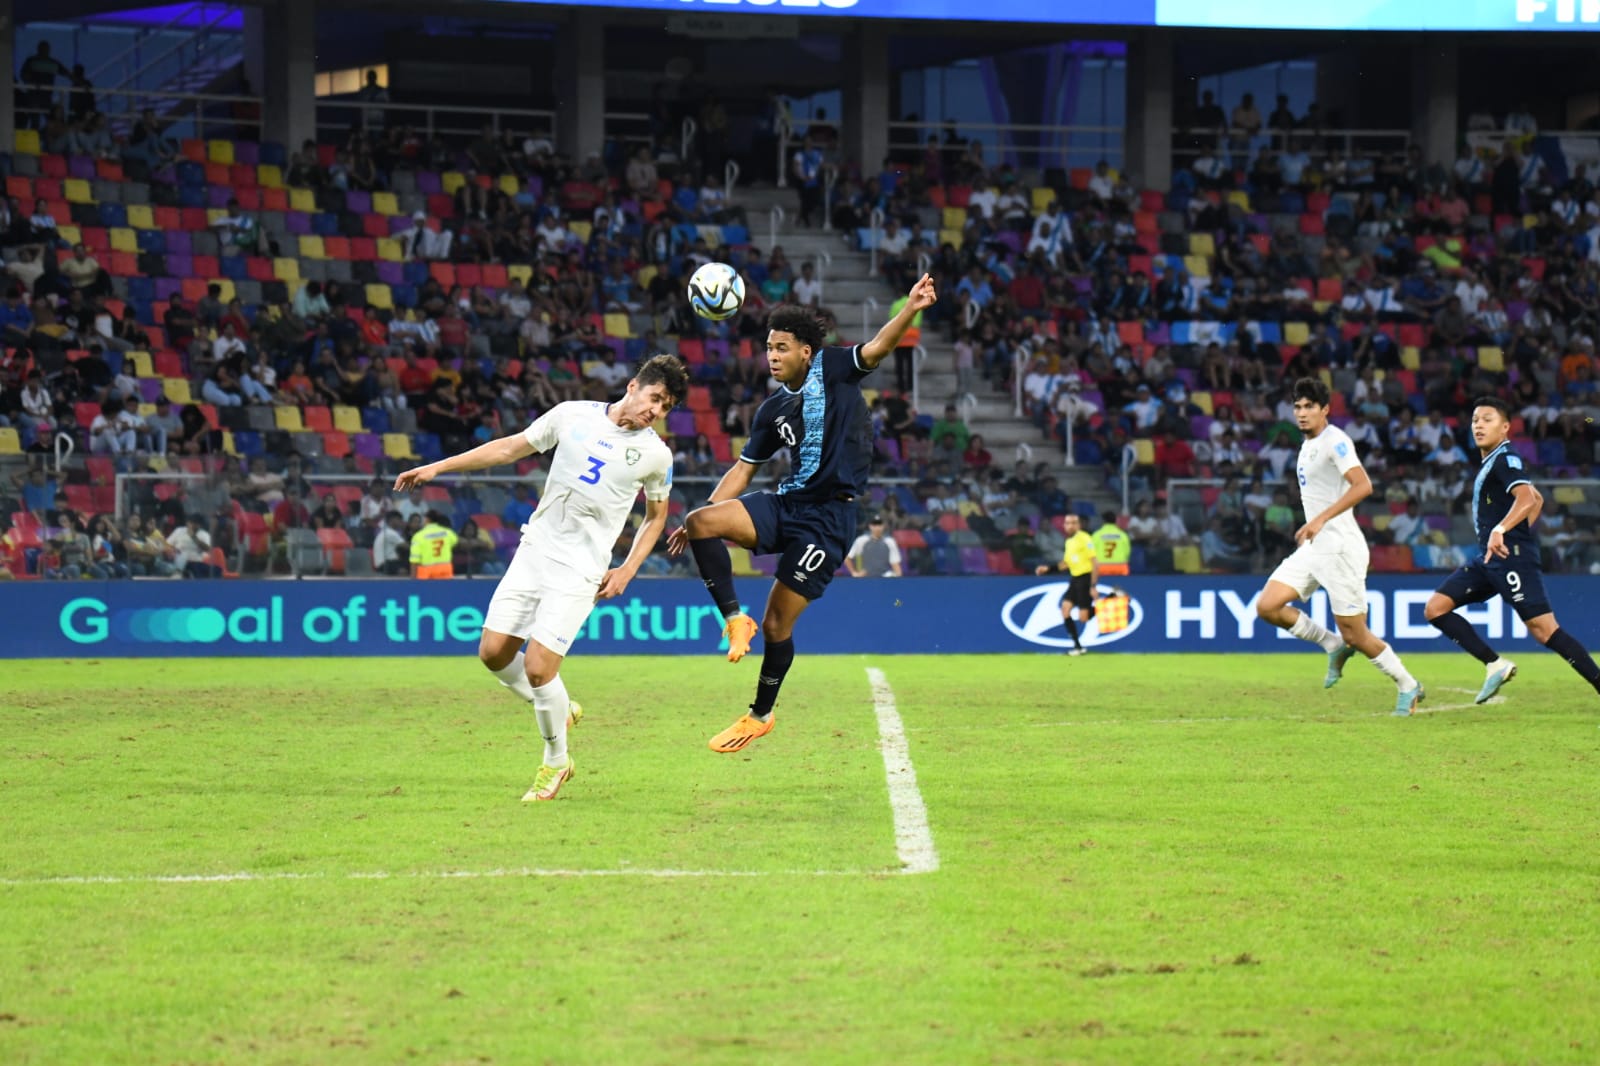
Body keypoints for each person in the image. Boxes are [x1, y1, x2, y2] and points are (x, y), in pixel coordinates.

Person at [392, 354, 687, 801]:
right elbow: (509, 448)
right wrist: (438, 467)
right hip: (535, 549)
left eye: (666, 406)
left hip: (581, 566)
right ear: (633, 386)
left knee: (538, 667)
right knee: (493, 653)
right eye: (655, 397)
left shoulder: (656, 454)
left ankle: (556, 761)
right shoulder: (571, 415)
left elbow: (656, 516)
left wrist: (627, 568)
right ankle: (558, 705)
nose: (656, 410)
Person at [667, 275, 938, 753]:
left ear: (806, 351)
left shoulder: (833, 368)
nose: (772, 356)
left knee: (777, 625)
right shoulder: (772, 409)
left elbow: (877, 348)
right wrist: (707, 515)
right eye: (769, 348)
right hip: (788, 503)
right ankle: (733, 619)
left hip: (828, 521)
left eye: (782, 348)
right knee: (699, 520)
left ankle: (760, 715)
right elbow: (743, 469)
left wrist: (911, 309)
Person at [1253, 378, 1424, 716]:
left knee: (1356, 634)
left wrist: (1320, 519)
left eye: (1309, 407)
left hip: (1340, 548)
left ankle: (1408, 684)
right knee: (1268, 606)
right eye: (1298, 407)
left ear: (1325, 410)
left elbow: (1363, 485)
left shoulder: (1336, 441)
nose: (1302, 413)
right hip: (1314, 547)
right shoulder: (1307, 445)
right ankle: (1331, 644)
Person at [1424, 397, 1600, 707]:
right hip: (1491, 556)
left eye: (1487, 419)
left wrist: (1503, 531)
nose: (1479, 425)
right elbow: (1537, 499)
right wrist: (1511, 532)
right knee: (1435, 608)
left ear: (1505, 427)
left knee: (1545, 631)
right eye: (1475, 420)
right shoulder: (1493, 460)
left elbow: (1527, 498)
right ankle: (1495, 664)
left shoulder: (1506, 458)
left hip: (1510, 557)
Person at [1034, 512, 1097, 655]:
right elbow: (1067, 563)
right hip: (1075, 579)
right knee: (1065, 609)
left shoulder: (1084, 538)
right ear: (1064, 525)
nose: (1070, 526)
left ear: (1079, 525)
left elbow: (1095, 563)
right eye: (1067, 523)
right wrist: (1048, 569)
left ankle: (1112, 598)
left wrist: (1093, 586)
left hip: (1085, 578)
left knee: (1084, 618)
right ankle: (1078, 647)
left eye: (1073, 523)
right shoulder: (1069, 541)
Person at [410, 510, 459, 579]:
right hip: (445, 571)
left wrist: (413, 580)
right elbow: (456, 542)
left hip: (427, 573)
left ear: (427, 520)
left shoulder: (418, 536)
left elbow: (414, 559)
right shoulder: (447, 532)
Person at [1089, 511, 1131, 578]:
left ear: (1103, 521)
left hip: (1101, 567)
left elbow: (1091, 552)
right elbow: (1127, 552)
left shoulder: (1096, 535)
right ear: (1115, 521)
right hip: (1120, 567)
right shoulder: (1123, 535)